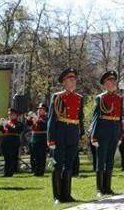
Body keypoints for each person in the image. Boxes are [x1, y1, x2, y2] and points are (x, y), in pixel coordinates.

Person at [47, 67, 85, 204]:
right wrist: (50, 138)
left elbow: (80, 118)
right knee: (58, 164)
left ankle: (66, 194)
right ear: (64, 82)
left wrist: (82, 134)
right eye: (70, 79)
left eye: (74, 79)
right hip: (60, 132)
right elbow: (51, 119)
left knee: (69, 164)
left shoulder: (79, 98)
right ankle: (57, 196)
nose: (73, 81)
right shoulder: (58, 97)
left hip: (73, 132)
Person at [90, 70, 123, 196]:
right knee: (101, 160)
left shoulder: (119, 98)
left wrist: (120, 134)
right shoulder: (100, 98)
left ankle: (108, 187)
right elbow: (95, 118)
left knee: (110, 160)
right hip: (103, 131)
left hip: (114, 130)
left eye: (114, 80)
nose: (113, 82)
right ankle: (100, 189)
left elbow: (119, 117)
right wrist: (94, 136)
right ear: (105, 84)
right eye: (110, 81)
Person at [0, 108, 24, 177]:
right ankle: (6, 172)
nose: (10, 116)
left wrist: (7, 124)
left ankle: (11, 172)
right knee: (6, 157)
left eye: (12, 114)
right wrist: (0, 125)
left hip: (13, 141)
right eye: (9, 114)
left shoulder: (19, 123)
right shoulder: (8, 122)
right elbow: (3, 131)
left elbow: (15, 130)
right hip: (5, 141)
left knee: (12, 157)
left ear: (16, 115)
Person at [26, 103, 48, 176]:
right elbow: (29, 124)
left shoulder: (46, 118)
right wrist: (29, 118)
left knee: (41, 155)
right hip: (34, 137)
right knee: (33, 155)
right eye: (38, 109)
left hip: (42, 137)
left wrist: (36, 118)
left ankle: (40, 171)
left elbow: (43, 125)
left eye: (41, 109)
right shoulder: (36, 117)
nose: (38, 111)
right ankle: (34, 170)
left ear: (45, 111)